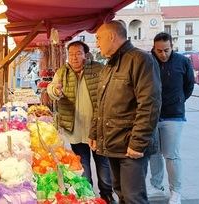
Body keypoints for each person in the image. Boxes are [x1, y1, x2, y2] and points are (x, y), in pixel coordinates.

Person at [89, 20, 162, 203]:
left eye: (99, 38)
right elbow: (101, 104)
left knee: (133, 197)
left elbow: (149, 104)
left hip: (131, 145)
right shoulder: (109, 65)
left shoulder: (140, 59)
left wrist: (138, 143)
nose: (97, 43)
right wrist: (95, 133)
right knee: (120, 192)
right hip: (114, 142)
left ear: (112, 36)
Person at [47, 41, 115, 203]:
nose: (74, 57)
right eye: (71, 54)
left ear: (86, 54)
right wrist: (55, 90)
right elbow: (51, 88)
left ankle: (107, 194)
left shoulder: (98, 69)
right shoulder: (62, 72)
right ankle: (88, 194)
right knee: (82, 163)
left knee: (103, 162)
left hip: (96, 127)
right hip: (74, 127)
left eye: (78, 53)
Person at [148, 32, 194, 204]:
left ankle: (176, 191)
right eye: (159, 51)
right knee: (154, 153)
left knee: (171, 155)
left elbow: (188, 86)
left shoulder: (183, 61)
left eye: (166, 50)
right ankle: (156, 185)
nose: (163, 54)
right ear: (154, 48)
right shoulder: (148, 61)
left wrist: (178, 100)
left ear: (172, 46)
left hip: (174, 116)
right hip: (152, 115)